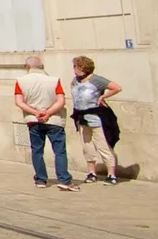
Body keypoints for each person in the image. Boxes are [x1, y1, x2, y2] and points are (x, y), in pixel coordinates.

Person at [15, 56, 75, 190]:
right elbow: (61, 101)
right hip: (54, 120)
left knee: (37, 150)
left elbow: (19, 102)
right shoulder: (54, 80)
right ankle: (64, 180)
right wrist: (48, 113)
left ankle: (41, 180)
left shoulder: (20, 81)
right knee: (59, 151)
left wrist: (35, 112)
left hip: (33, 120)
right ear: (41, 66)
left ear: (27, 66)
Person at [69, 56, 123, 185]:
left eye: (75, 66)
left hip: (96, 117)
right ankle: (92, 172)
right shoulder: (75, 80)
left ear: (82, 67)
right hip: (81, 117)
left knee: (103, 145)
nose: (74, 69)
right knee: (87, 146)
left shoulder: (96, 80)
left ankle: (111, 174)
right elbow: (73, 89)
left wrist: (103, 96)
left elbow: (117, 87)